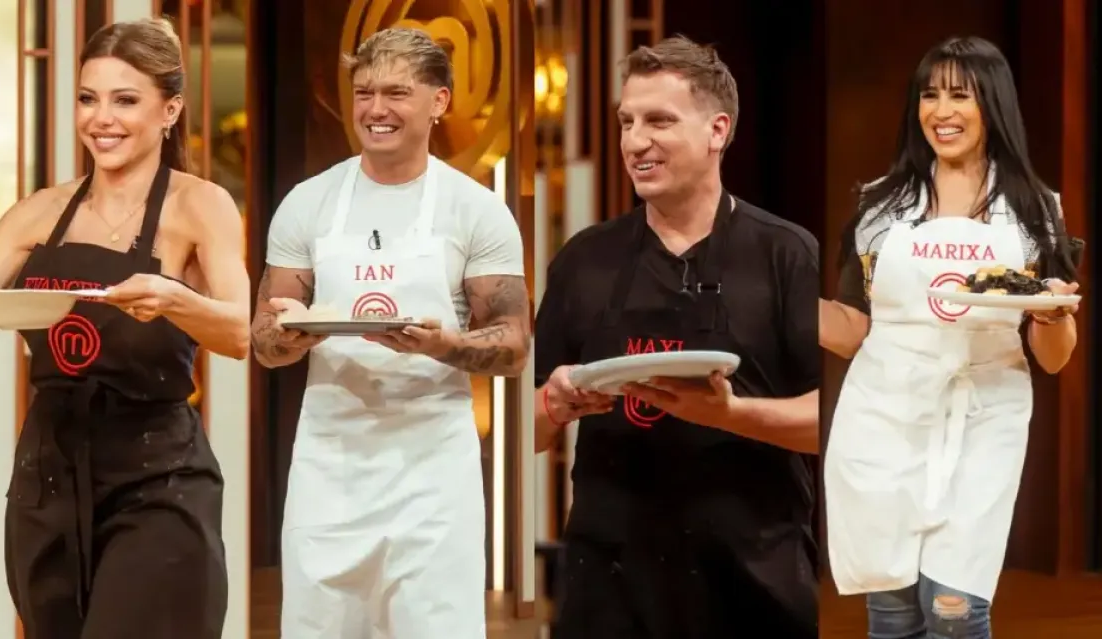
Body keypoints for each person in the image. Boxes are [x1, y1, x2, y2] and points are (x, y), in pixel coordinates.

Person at [0, 18, 248, 639]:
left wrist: (173, 299)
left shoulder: (199, 205)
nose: (102, 119)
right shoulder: (37, 212)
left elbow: (237, 333)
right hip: (47, 475)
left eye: (125, 100)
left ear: (170, 110)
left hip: (157, 474)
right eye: (88, 99)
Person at [534, 36, 820, 639]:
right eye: (627, 122)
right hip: (609, 584)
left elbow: (837, 424)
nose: (635, 141)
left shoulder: (787, 255)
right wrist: (556, 403)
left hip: (753, 579)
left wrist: (730, 414)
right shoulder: (584, 260)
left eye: (659, 121)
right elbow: (526, 432)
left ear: (718, 131)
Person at [250, 28, 529, 639]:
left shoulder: (476, 210)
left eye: (397, 93)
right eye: (364, 93)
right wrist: (292, 335)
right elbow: (264, 338)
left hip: (434, 476)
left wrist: (443, 345)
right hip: (330, 468)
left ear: (440, 101)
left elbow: (512, 345)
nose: (376, 110)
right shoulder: (307, 203)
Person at [822, 36, 1082, 639]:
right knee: (892, 612)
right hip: (885, 415)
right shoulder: (879, 207)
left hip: (985, 415)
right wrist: (785, 306)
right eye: (929, 95)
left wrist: (1053, 316)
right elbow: (853, 328)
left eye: (960, 95)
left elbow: (1053, 357)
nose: (941, 111)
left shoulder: (1034, 210)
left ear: (993, 104)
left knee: (955, 611)